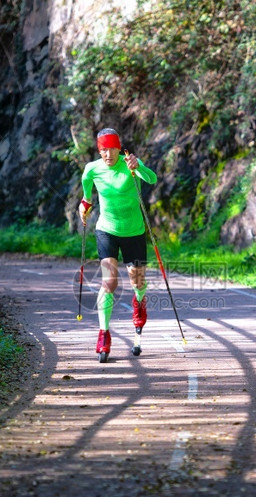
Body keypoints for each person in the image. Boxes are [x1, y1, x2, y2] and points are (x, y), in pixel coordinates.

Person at [79, 128, 157, 361]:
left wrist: (139, 167)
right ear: (99, 150)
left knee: (138, 281)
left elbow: (152, 179)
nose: (107, 155)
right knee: (109, 281)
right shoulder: (91, 170)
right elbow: (86, 196)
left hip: (133, 231)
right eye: (103, 150)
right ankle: (104, 333)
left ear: (119, 148)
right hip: (107, 230)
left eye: (111, 149)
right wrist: (84, 206)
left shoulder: (130, 164)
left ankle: (139, 301)